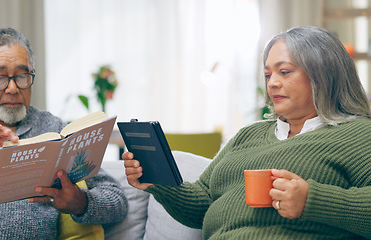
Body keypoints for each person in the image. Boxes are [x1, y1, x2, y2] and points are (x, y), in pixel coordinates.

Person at [124, 25, 371, 239]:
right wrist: (157, 179)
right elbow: (202, 206)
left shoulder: (358, 134)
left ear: (324, 74)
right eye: (267, 74)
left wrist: (314, 201)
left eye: (284, 72)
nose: (272, 82)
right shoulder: (248, 135)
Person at [0, 28, 128, 239]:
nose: (13, 88)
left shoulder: (52, 128)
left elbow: (117, 200)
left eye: (22, 76)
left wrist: (81, 203)